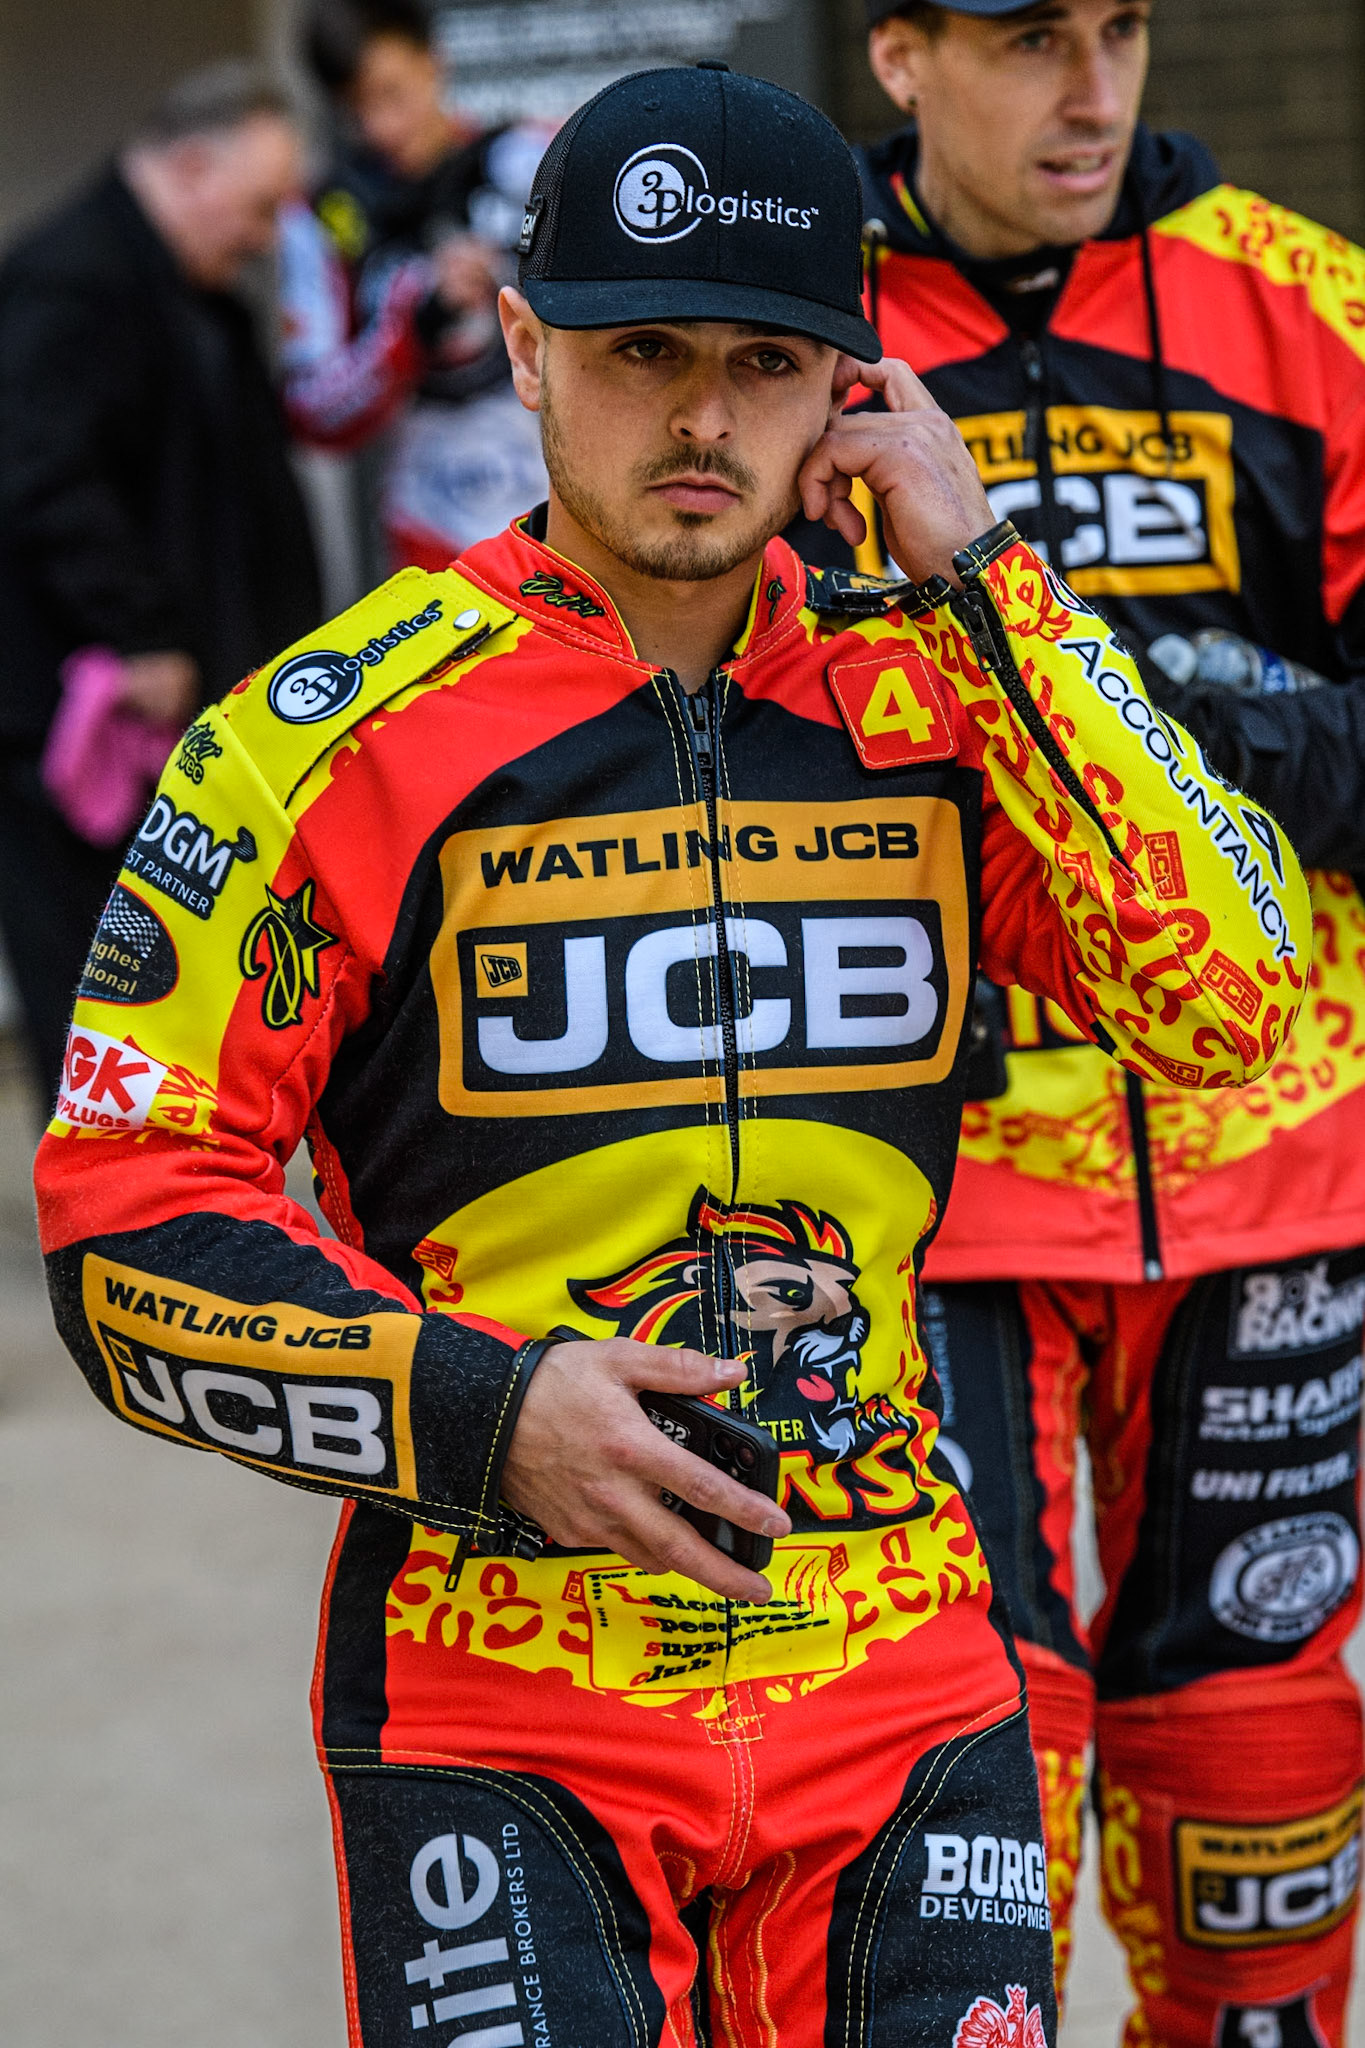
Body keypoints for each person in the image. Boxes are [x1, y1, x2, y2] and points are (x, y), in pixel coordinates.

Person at [35, 61, 1310, 2047]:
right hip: (501, 1706)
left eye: (765, 361)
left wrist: (993, 577)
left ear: (853, 393)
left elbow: (1234, 996)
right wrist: (481, 1412)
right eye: (642, 351)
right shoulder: (323, 739)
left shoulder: (942, 699)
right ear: (524, 348)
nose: (704, 416)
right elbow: (123, 1225)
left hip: (904, 1690)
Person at [854, 2, 1365, 2041]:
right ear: (898, 53)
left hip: (1271, 1164)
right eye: (1025, 37)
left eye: (1124, 26)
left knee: (1256, 1747)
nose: (1091, 90)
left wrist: (1139, 710)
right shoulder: (800, 332)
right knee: (961, 1763)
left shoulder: (1310, 306)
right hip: (935, 1193)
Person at [0, 61, 321, 1111]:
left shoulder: (190, 289)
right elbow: (39, 472)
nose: (266, 236)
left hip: (171, 708)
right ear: (189, 166)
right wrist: (139, 629)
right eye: (259, 205)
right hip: (74, 718)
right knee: (93, 973)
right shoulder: (74, 280)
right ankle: (102, 1181)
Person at [281, 0, 549, 571]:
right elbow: (311, 412)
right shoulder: (326, 215)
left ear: (434, 62)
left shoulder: (532, 160)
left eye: (391, 94)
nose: (380, 127)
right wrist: (410, 323)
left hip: (565, 516)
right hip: (431, 532)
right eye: (354, 107)